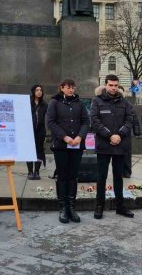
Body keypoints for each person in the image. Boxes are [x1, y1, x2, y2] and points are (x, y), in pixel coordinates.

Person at [90, 74, 135, 219]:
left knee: (118, 177)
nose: (114, 88)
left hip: (120, 145)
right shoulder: (96, 101)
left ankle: (120, 206)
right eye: (111, 85)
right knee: (101, 176)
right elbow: (95, 120)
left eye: (116, 85)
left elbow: (129, 120)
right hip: (104, 145)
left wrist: (119, 135)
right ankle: (99, 206)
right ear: (105, 85)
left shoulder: (125, 102)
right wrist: (110, 135)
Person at [46, 78, 89, 223]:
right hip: (61, 145)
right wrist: (64, 137)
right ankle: (63, 207)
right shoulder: (55, 102)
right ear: (62, 88)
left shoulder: (79, 103)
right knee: (63, 176)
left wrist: (80, 136)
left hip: (76, 145)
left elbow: (85, 121)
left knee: (73, 176)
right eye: (68, 87)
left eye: (73, 87)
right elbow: (50, 122)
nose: (71, 90)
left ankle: (72, 207)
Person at [27, 85, 47, 180]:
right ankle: (30, 171)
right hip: (29, 130)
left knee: (39, 150)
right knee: (29, 150)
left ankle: (37, 171)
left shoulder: (44, 104)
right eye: (37, 90)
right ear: (33, 91)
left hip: (40, 130)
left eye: (40, 90)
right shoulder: (28, 103)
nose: (39, 92)